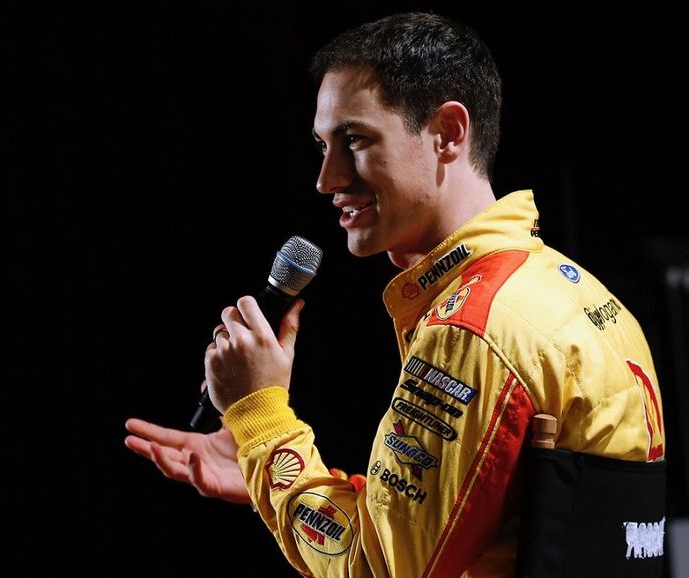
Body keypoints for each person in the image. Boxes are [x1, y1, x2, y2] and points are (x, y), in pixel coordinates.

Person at [124, 11, 666, 577]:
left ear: (449, 134)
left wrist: (263, 421)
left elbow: (376, 568)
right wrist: (274, 473)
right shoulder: (574, 292)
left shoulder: (474, 327)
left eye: (354, 140)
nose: (327, 179)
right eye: (322, 146)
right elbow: (470, 534)